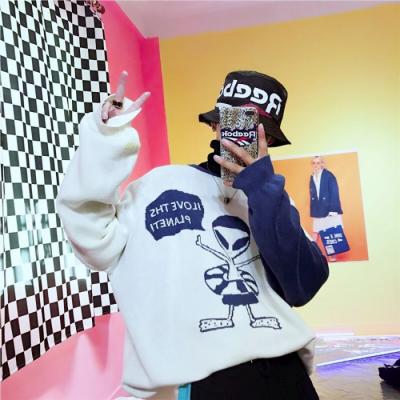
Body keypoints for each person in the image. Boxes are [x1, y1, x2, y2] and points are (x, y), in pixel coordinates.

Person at [56, 70, 329, 400]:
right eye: (233, 122)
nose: (241, 136)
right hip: (204, 379)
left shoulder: (274, 201)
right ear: (215, 125)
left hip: (287, 371)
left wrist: (263, 189)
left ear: (268, 140)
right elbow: (94, 243)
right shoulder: (159, 185)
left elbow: (303, 285)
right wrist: (105, 141)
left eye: (257, 130)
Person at [309, 156, 344, 262]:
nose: (316, 165)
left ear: (322, 164)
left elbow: (334, 192)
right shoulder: (312, 177)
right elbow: (313, 195)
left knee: (330, 233)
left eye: (318, 163)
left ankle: (331, 256)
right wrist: (313, 210)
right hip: (318, 209)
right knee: (315, 232)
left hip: (330, 209)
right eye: (314, 163)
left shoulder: (329, 175)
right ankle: (311, 254)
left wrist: (333, 210)